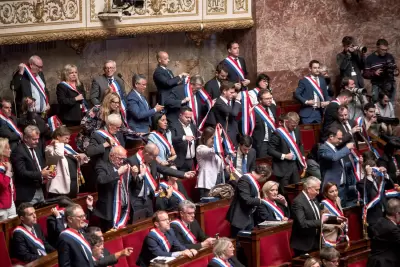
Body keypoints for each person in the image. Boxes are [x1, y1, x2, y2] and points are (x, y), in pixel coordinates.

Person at [127, 143, 195, 220]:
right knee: (138, 225)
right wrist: (137, 175)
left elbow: (164, 169)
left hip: (148, 199)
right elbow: (128, 182)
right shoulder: (131, 161)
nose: (156, 158)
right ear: (146, 153)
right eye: (154, 156)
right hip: (137, 200)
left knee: (149, 223)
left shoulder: (152, 161)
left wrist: (183, 174)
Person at [94, 146, 137, 232]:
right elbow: (101, 180)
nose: (122, 162)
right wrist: (118, 173)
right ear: (111, 156)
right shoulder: (102, 165)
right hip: (109, 210)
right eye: (119, 159)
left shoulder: (125, 165)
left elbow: (131, 185)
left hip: (125, 208)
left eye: (123, 159)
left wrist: (135, 175)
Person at [11, 125, 54, 206]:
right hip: (27, 193)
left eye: (38, 139)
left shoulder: (37, 148)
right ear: (26, 138)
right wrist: (40, 174)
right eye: (34, 139)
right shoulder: (18, 151)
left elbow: (40, 165)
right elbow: (21, 172)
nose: (37, 141)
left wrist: (47, 174)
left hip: (40, 190)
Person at [226, 164, 272, 237]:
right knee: (238, 243)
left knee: (249, 242)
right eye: (265, 178)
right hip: (240, 218)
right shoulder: (245, 179)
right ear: (262, 175)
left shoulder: (251, 180)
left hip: (249, 216)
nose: (265, 180)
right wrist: (260, 201)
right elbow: (246, 200)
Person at [45, 126, 88, 198]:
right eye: (66, 138)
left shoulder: (67, 147)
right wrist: (57, 143)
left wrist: (81, 157)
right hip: (59, 186)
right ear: (58, 137)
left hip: (73, 181)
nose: (68, 141)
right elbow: (59, 154)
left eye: (68, 138)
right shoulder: (49, 148)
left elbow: (75, 162)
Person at [268, 112, 304, 194]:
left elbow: (300, 144)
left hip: (294, 165)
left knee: (297, 190)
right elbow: (270, 150)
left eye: (296, 125)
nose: (294, 128)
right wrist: (284, 156)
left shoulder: (297, 129)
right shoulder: (278, 133)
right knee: (286, 193)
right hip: (282, 167)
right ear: (286, 122)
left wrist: (302, 157)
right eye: (292, 125)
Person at [318, 127, 354, 205]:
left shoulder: (335, 148)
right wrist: (347, 148)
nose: (341, 141)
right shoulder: (323, 148)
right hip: (331, 189)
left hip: (342, 187)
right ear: (331, 137)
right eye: (339, 138)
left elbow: (340, 165)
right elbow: (334, 157)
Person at [290, 177, 323, 256]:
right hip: (303, 245)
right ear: (308, 189)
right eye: (316, 189)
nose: (318, 192)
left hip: (316, 242)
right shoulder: (298, 202)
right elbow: (303, 223)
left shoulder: (314, 199)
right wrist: (321, 222)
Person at [356, 161, 393, 227]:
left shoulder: (380, 179)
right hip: (374, 218)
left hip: (386, 214)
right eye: (372, 170)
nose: (374, 171)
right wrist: (369, 176)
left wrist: (385, 174)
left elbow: (391, 186)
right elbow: (368, 194)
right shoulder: (361, 183)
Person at [363, 39, 399, 104]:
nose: (384, 51)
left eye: (386, 50)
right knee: (376, 104)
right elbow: (365, 74)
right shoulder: (370, 58)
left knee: (390, 104)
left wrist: (396, 72)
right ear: (377, 47)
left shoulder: (389, 56)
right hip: (377, 85)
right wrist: (374, 73)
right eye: (382, 50)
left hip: (390, 84)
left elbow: (395, 69)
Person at [294, 60, 330, 124]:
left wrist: (327, 102)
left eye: (318, 68)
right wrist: (306, 102)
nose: (317, 70)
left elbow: (326, 95)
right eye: (315, 68)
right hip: (307, 113)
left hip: (319, 112)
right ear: (310, 69)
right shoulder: (304, 81)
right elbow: (296, 94)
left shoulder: (322, 80)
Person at [367, 198, 400, 267]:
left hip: (374, 261)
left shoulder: (381, 221)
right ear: (397, 214)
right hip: (386, 263)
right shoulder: (392, 229)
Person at [210, 81, 241, 147]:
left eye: (234, 92)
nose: (233, 95)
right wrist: (238, 100)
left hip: (234, 134)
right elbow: (234, 113)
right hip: (226, 135)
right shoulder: (219, 103)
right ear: (224, 91)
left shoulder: (231, 101)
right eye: (231, 92)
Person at [196, 127, 224, 198]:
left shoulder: (215, 152)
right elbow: (210, 151)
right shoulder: (200, 148)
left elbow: (220, 167)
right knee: (208, 205)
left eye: (215, 138)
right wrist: (218, 140)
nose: (214, 141)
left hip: (217, 181)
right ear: (205, 138)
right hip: (207, 184)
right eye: (212, 138)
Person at [169, 107, 197, 171]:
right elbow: (171, 139)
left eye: (190, 117)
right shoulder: (173, 125)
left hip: (192, 161)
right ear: (180, 115)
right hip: (180, 162)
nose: (189, 119)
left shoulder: (192, 126)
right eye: (187, 117)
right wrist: (184, 137)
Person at [252, 90, 277, 158]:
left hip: (273, 140)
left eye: (271, 98)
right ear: (260, 100)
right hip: (262, 142)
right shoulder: (253, 111)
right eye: (267, 99)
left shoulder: (273, 107)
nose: (270, 100)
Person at [321, 182, 347, 247]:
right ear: (326, 193)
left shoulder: (338, 199)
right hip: (329, 237)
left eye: (336, 190)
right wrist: (335, 225)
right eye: (331, 192)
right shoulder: (323, 205)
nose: (335, 193)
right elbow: (321, 224)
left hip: (340, 235)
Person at [0, 138, 16, 221]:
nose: (10, 150)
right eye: (8, 148)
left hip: (10, 202)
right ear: (1, 150)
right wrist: (8, 171)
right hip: (1, 207)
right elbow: (3, 185)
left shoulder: (7, 162)